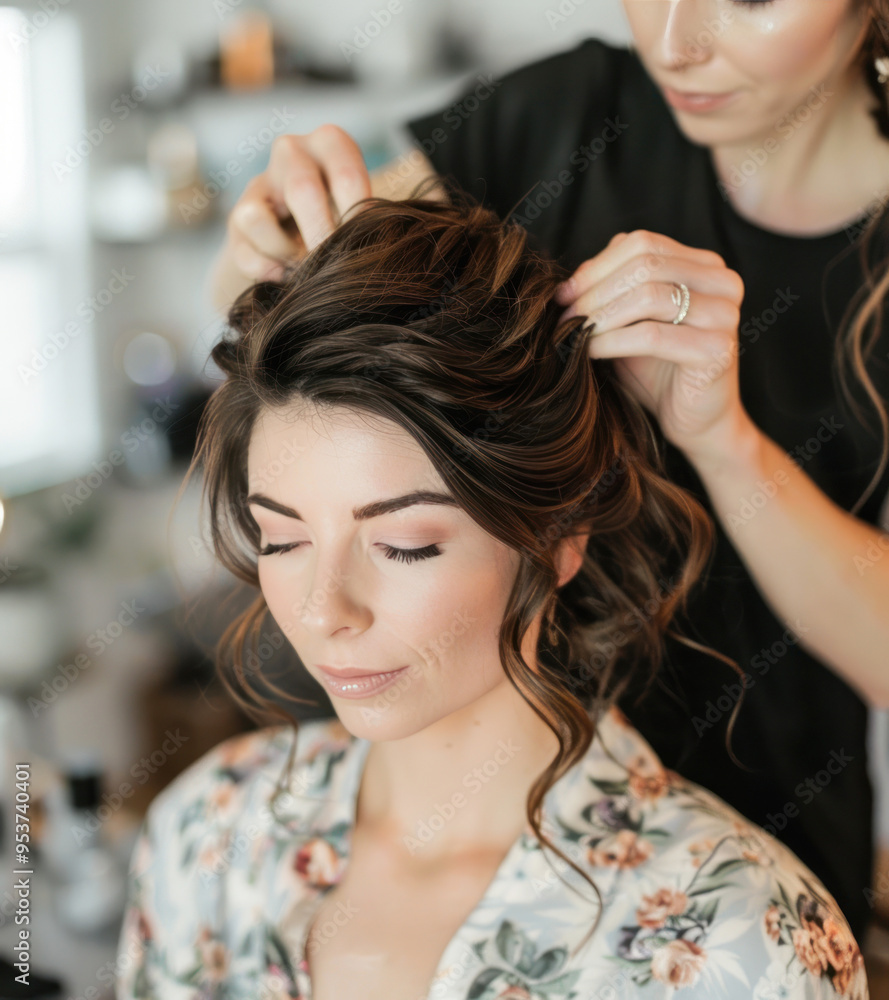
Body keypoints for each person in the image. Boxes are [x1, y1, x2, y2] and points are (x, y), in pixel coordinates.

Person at [205, 0, 889, 943]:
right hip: (453, 805)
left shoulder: (752, 927)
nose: (673, 43)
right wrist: (261, 252)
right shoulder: (566, 114)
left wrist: (723, 440)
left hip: (728, 882)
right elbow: (285, 335)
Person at [117, 190, 868, 999]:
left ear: (558, 537)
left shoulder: (740, 941)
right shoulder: (207, 834)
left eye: (404, 545)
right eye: (284, 539)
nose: (322, 609)